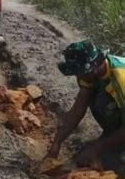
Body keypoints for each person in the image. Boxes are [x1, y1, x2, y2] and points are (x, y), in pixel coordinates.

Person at [44, 40, 125, 169]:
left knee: (117, 167)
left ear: (96, 64)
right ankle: (112, 137)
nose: (80, 76)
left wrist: (96, 148)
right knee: (98, 100)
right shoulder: (88, 74)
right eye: (78, 73)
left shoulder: (121, 78)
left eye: (83, 73)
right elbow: (77, 110)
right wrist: (57, 143)